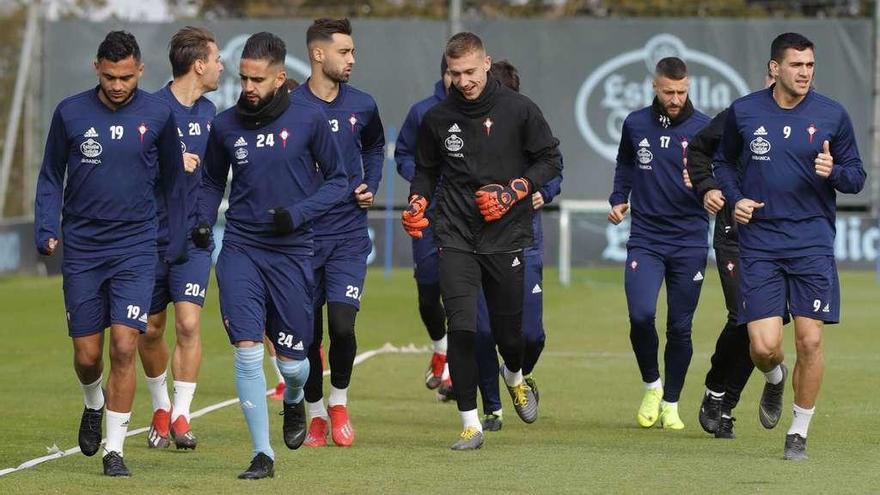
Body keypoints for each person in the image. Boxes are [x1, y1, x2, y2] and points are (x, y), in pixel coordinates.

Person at [34, 31, 188, 476]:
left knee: (124, 345)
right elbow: (49, 176)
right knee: (87, 355)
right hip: (82, 247)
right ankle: (93, 401)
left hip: (136, 247)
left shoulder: (158, 114)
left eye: (125, 77)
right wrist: (47, 227)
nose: (118, 85)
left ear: (140, 70)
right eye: (109, 76)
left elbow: (175, 184)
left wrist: (175, 238)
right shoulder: (70, 113)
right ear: (96, 69)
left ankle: (114, 448)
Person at [196, 31, 347, 479]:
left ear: (281, 77)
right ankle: (263, 453)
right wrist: (204, 219)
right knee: (246, 350)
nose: (248, 89)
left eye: (258, 80)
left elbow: (340, 180)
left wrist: (299, 213)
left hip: (293, 252)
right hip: (240, 246)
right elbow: (208, 181)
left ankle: (296, 397)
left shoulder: (310, 119)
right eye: (243, 78)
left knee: (294, 364)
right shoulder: (224, 126)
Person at [404, 32, 562, 450]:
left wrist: (515, 190)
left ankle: (515, 377)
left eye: (470, 71)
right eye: (455, 74)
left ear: (487, 64)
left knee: (513, 338)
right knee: (464, 329)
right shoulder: (437, 118)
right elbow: (425, 170)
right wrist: (418, 200)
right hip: (455, 235)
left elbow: (551, 160)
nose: (464, 80)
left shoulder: (519, 109)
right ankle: (471, 423)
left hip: (507, 235)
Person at [714, 32, 865, 460]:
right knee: (762, 347)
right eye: (796, 65)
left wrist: (834, 170)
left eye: (810, 65)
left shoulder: (832, 115)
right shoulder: (744, 112)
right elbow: (723, 162)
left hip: (811, 241)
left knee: (810, 341)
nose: (805, 73)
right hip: (759, 242)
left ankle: (798, 430)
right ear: (774, 68)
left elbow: (856, 177)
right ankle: (775, 378)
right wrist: (735, 197)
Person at [290, 18, 385, 448]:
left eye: (353, 51)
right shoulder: (289, 105)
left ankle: (339, 400)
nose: (352, 59)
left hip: (347, 233)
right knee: (308, 334)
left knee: (342, 327)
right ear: (318, 54)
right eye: (344, 52)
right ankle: (313, 414)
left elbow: (375, 146)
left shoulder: (362, 104)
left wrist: (371, 184)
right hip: (302, 240)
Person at [607, 57, 710, 431]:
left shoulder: (705, 129)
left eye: (682, 91)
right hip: (646, 238)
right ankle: (652, 385)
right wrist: (619, 197)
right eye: (669, 91)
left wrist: (706, 186)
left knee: (680, 328)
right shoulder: (635, 123)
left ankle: (671, 402)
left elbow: (722, 175)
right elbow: (625, 164)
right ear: (655, 86)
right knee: (640, 315)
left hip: (690, 240)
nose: (676, 98)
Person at [139, 25, 222, 451]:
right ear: (199, 64)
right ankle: (158, 404)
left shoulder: (213, 115)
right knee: (150, 330)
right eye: (218, 58)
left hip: (193, 240)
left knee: (188, 323)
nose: (222, 66)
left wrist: (206, 218)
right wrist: (170, 166)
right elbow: (130, 172)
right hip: (149, 240)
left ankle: (181, 414)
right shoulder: (151, 110)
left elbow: (214, 178)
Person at [683, 65, 776, 440]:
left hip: (782, 240)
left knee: (763, 331)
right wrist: (706, 187)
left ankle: (725, 399)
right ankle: (716, 393)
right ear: (772, 74)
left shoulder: (812, 119)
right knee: (743, 315)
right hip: (735, 234)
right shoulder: (741, 113)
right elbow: (698, 151)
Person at [474, 59, 562, 431]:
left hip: (525, 243)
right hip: (478, 244)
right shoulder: (467, 130)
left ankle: (516, 375)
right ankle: (492, 408)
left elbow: (555, 168)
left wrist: (544, 192)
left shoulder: (528, 124)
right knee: (480, 331)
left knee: (531, 335)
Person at [395, 57, 455, 397]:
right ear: (443, 74)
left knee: (460, 291)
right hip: (429, 214)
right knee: (429, 290)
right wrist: (421, 180)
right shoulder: (422, 112)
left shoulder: (480, 109)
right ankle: (440, 347)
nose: (455, 78)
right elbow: (403, 153)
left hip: (467, 216)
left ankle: (454, 370)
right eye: (450, 72)